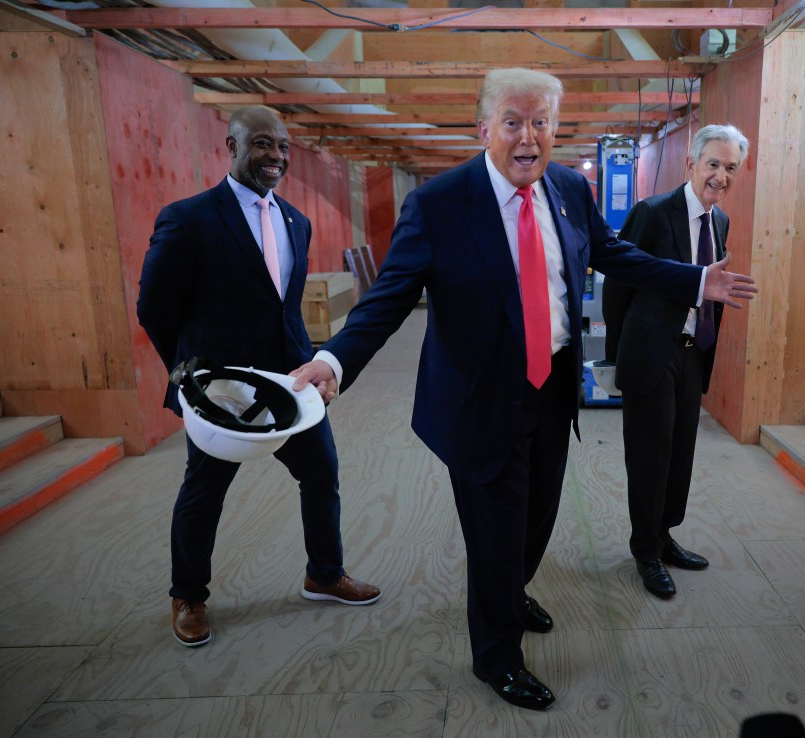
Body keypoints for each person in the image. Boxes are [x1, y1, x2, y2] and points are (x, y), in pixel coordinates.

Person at [290, 69, 757, 710]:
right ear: (484, 129)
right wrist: (334, 361)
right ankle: (497, 657)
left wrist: (693, 280)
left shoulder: (567, 187)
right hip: (480, 399)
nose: (528, 136)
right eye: (513, 121)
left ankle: (511, 592)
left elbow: (614, 254)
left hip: (552, 390)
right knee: (495, 535)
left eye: (541, 122)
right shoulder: (440, 204)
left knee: (536, 517)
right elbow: (389, 298)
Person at [137, 106, 380, 649]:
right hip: (221, 388)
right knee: (205, 490)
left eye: (284, 148)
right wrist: (185, 379)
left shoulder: (297, 220)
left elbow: (284, 307)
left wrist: (311, 364)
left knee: (321, 475)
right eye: (263, 145)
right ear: (232, 145)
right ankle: (188, 595)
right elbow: (154, 307)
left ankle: (323, 573)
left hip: (289, 381)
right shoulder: (189, 218)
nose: (276, 157)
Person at [602, 124, 749, 600]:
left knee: (680, 451)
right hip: (650, 353)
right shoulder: (652, 212)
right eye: (713, 164)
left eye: (731, 168)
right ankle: (644, 550)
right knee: (649, 452)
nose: (721, 176)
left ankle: (665, 536)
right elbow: (618, 285)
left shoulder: (719, 222)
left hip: (692, 352)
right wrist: (615, 356)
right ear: (691, 164)